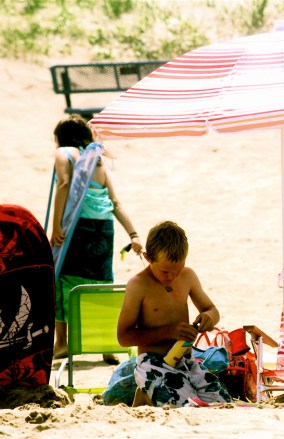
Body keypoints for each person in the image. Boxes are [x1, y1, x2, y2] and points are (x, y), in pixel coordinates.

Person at [50, 115, 143, 363]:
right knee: (101, 281)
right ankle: (106, 345)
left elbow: (64, 185)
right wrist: (133, 234)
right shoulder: (97, 160)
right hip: (103, 229)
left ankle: (62, 344)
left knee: (62, 279)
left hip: (76, 228)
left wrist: (56, 225)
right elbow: (116, 203)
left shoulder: (64, 153)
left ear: (61, 137)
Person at [117, 221, 232, 406]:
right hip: (153, 362)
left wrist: (208, 318)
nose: (171, 277)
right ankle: (145, 392)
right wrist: (169, 331)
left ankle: (148, 393)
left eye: (177, 270)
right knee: (183, 406)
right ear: (147, 258)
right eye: (165, 271)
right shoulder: (138, 285)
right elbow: (123, 337)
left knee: (223, 404)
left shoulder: (187, 276)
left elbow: (212, 309)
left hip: (186, 360)